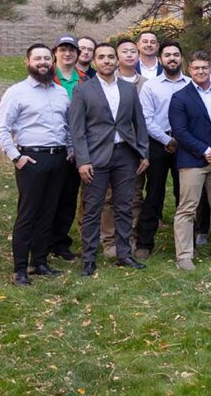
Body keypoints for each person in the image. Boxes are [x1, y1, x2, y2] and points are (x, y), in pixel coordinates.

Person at [0, 44, 72, 285]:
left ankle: (40, 262)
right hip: (31, 160)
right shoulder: (17, 92)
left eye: (47, 58)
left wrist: (69, 150)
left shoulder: (60, 93)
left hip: (58, 159)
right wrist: (16, 157)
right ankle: (20, 269)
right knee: (28, 214)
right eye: (37, 58)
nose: (43, 62)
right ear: (27, 62)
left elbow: (66, 126)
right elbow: (0, 128)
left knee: (49, 212)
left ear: (53, 62)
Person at [69, 43, 149, 276]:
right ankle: (89, 259)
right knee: (93, 208)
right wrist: (83, 160)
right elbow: (77, 129)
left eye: (111, 57)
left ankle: (124, 254)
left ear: (117, 61)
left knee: (124, 206)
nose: (107, 61)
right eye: (101, 57)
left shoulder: (128, 88)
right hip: (95, 156)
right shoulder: (83, 90)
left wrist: (143, 151)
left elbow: (139, 122)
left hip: (125, 154)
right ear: (94, 62)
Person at [169, 51, 211, 270]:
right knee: (187, 208)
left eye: (204, 68)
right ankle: (184, 255)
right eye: (196, 68)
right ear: (190, 70)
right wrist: (205, 150)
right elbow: (179, 131)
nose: (200, 71)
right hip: (192, 161)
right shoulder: (180, 97)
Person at [136, 42, 190, 259]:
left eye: (176, 54)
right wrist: (167, 139)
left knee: (184, 194)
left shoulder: (191, 84)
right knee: (154, 194)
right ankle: (144, 242)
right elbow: (146, 118)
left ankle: (186, 242)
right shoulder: (151, 86)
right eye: (167, 55)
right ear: (160, 59)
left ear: (181, 58)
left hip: (186, 145)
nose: (172, 58)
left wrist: (181, 140)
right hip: (158, 144)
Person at [99, 38, 149, 258]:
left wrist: (142, 152)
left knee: (133, 196)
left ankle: (130, 236)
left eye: (133, 51)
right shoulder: (104, 82)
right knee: (109, 198)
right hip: (106, 148)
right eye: (124, 51)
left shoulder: (146, 83)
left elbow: (142, 122)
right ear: (117, 56)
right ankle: (109, 240)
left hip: (132, 149)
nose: (129, 55)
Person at [50, 35, 86, 261]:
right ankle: (44, 240)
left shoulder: (84, 79)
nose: (67, 53)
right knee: (49, 197)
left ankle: (61, 242)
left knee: (68, 197)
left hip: (78, 146)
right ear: (56, 52)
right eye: (62, 49)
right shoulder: (47, 77)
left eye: (71, 50)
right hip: (53, 144)